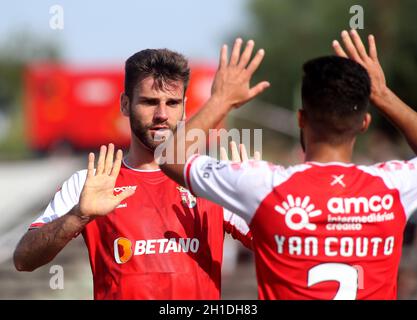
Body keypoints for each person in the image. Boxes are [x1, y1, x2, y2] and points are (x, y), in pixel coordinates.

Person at [158, 32, 417, 299]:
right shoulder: (394, 186)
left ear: (301, 119)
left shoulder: (261, 184)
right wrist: (384, 95)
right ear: (364, 123)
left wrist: (221, 100)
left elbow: (170, 156)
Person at [13, 48, 253, 300]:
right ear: (125, 104)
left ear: (183, 107)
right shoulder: (89, 183)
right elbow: (23, 259)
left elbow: (280, 249)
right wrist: (77, 216)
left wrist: (255, 204)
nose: (161, 114)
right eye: (149, 102)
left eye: (172, 103)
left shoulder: (211, 179)